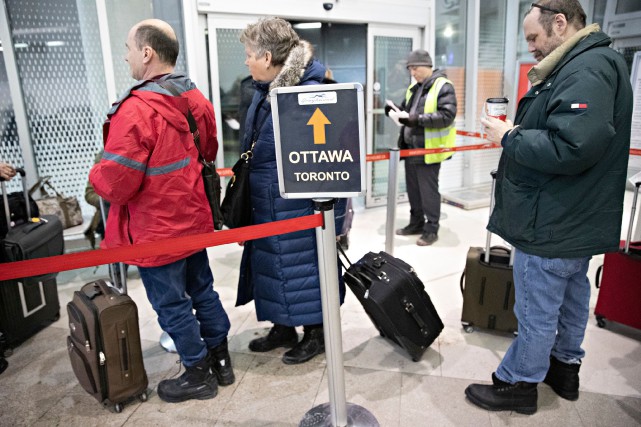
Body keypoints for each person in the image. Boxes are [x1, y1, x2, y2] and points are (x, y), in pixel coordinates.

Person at [465, 0, 633, 415]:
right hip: (573, 218)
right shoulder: (589, 64)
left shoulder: (586, 69)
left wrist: (509, 136)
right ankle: (564, 370)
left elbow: (571, 146)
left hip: (553, 220)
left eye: (534, 38)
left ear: (560, 24)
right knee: (573, 298)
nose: (532, 48)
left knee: (536, 310)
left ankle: (519, 384)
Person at [89, 19, 234, 403]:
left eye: (128, 48)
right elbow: (206, 155)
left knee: (171, 303)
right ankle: (221, 360)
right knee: (203, 291)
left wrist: (95, 173)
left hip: (156, 229)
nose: (126, 56)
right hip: (193, 218)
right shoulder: (195, 98)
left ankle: (197, 372)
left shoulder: (136, 110)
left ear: (147, 52)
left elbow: (118, 183)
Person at [236, 17, 346, 365]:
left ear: (267, 57)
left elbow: (331, 161)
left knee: (304, 269)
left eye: (250, 53)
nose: (247, 60)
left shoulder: (309, 92)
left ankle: (316, 333)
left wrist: (334, 220)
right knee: (271, 267)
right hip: (266, 202)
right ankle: (283, 326)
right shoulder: (265, 89)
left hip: (297, 208)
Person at [385, 49, 457, 246]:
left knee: (428, 192)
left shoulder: (443, 87)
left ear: (427, 65)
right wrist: (393, 110)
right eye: (410, 69)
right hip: (411, 149)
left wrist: (415, 119)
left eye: (415, 68)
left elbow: (446, 116)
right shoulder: (414, 88)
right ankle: (415, 223)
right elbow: (406, 111)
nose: (412, 72)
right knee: (413, 190)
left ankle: (431, 229)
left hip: (429, 150)